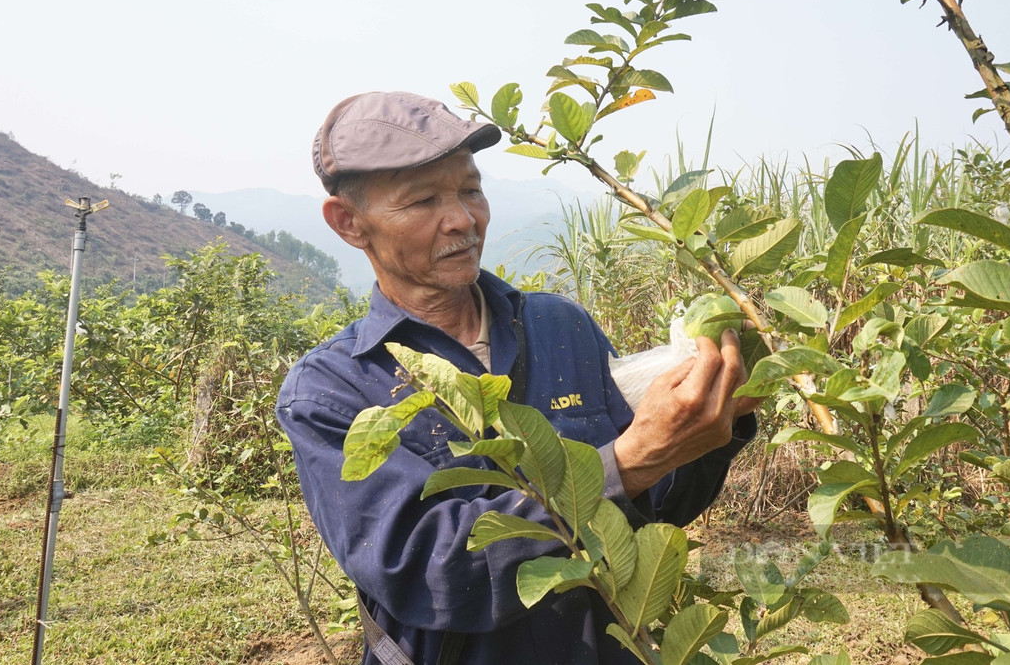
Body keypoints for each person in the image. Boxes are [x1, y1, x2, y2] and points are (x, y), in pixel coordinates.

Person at [276, 91, 758, 665]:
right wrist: (630, 460)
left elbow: (654, 509)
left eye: (471, 190)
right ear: (350, 224)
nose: (462, 219)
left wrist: (715, 422)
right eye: (423, 200)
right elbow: (430, 572)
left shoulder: (561, 324)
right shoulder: (331, 389)